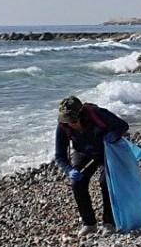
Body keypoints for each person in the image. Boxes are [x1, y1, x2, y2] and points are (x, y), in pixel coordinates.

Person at [54, 95, 130, 236]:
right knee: (77, 183)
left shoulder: (97, 114)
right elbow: (60, 156)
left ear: (81, 114)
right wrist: (69, 170)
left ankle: (109, 222)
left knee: (106, 183)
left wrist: (113, 135)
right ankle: (89, 223)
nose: (72, 124)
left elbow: (123, 126)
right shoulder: (63, 126)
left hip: (106, 151)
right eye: (68, 121)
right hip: (84, 152)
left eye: (74, 120)